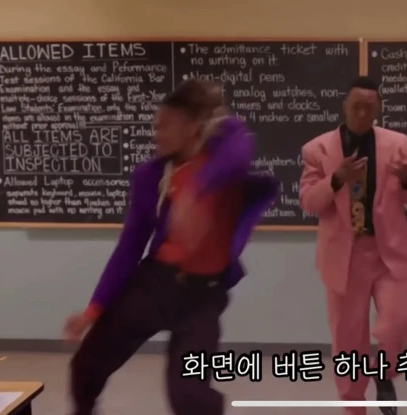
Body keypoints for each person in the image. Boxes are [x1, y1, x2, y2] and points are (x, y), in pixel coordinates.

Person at [62, 79, 279, 415]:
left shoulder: (226, 161)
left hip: (203, 297)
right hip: (155, 284)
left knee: (189, 393)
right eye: (155, 126)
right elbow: (129, 247)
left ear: (192, 127)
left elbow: (237, 139)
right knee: (85, 366)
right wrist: (93, 310)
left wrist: (198, 191)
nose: (157, 135)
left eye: (164, 125)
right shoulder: (150, 176)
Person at [299, 76, 407, 415]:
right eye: (356, 106)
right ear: (345, 106)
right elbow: (309, 202)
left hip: (388, 252)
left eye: (369, 107)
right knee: (348, 341)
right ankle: (353, 406)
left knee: (398, 322)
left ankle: (384, 372)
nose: (362, 113)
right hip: (344, 255)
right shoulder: (317, 150)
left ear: (378, 109)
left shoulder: (397, 143)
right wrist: (337, 179)